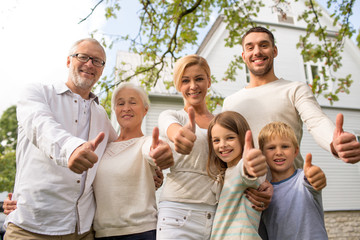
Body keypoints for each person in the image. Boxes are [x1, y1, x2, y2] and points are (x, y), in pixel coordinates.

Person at [4, 38, 119, 240]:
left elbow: (120, 152)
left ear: (101, 70)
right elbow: (41, 126)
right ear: (68, 61)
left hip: (82, 230)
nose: (90, 64)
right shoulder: (37, 93)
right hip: (31, 226)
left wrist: (150, 170)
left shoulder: (102, 115)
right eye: (83, 57)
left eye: (97, 61)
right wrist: (71, 149)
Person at [156, 54, 271, 240]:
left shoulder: (221, 124)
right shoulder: (172, 116)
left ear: (209, 81)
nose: (193, 86)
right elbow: (171, 128)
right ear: (178, 85)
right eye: (185, 80)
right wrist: (179, 135)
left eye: (199, 78)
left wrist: (262, 181)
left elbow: (238, 165)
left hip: (214, 216)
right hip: (177, 214)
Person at [222, 26, 360, 169]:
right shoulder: (230, 103)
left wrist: (334, 142)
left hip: (291, 186)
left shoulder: (294, 89)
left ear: (274, 51)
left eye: (264, 45)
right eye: (250, 48)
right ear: (244, 56)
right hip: (248, 188)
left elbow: (316, 121)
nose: (257, 51)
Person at [93, 82, 174, 239]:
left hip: (140, 232)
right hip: (102, 233)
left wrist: (158, 152)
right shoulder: (103, 147)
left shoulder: (146, 142)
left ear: (145, 110)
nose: (126, 108)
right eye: (120, 103)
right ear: (114, 110)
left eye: (133, 102)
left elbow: (152, 151)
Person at [258, 122, 328, 239]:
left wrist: (316, 176)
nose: (279, 152)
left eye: (285, 146)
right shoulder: (263, 193)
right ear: (262, 154)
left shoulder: (304, 180)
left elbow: (314, 180)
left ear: (295, 151)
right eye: (271, 148)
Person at [207, 111, 267, 240]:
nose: (222, 145)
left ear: (242, 138)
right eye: (216, 140)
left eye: (230, 138)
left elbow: (248, 172)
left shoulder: (241, 169)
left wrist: (250, 162)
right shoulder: (224, 174)